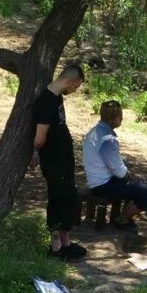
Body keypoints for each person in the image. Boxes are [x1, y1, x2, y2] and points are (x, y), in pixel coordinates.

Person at [30, 64, 86, 260]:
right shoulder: (46, 102)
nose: (75, 90)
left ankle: (66, 242)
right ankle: (56, 247)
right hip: (54, 159)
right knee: (58, 199)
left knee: (68, 197)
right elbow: (39, 138)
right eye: (76, 86)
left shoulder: (56, 97)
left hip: (63, 157)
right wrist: (36, 151)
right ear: (70, 81)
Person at [82, 100, 147, 233]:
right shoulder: (108, 139)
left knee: (134, 180)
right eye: (120, 116)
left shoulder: (95, 131)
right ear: (113, 119)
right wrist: (132, 178)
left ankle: (126, 214)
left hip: (97, 180)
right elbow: (120, 172)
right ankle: (122, 219)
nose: (122, 118)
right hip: (103, 185)